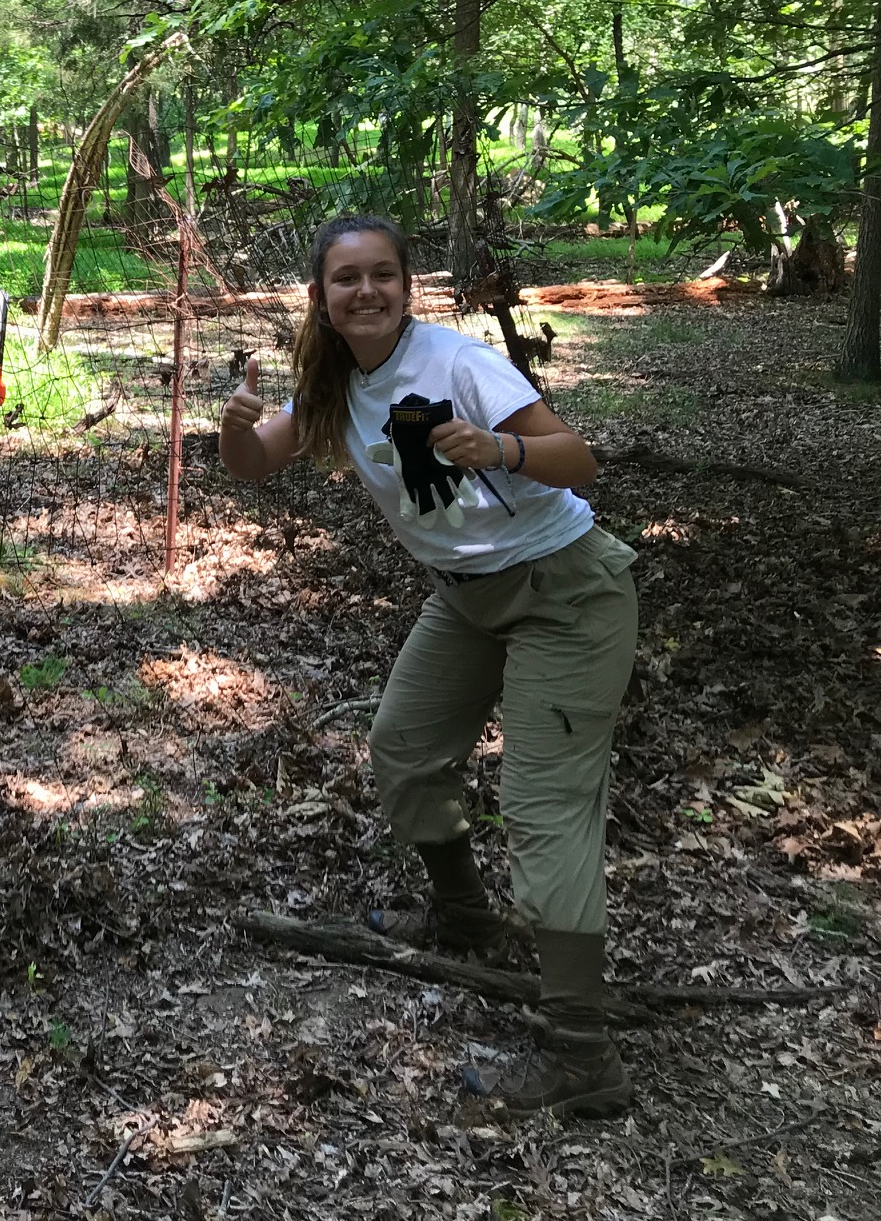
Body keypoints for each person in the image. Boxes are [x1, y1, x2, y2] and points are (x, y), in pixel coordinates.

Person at [218, 214, 639, 1119]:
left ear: (408, 286)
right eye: (346, 280)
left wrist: (502, 448)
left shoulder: (456, 365)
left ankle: (583, 1054)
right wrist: (233, 424)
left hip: (565, 594)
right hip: (468, 595)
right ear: (322, 299)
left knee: (543, 807)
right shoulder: (338, 383)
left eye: (382, 276)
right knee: (404, 746)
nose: (365, 292)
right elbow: (253, 466)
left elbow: (583, 461)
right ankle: (465, 915)